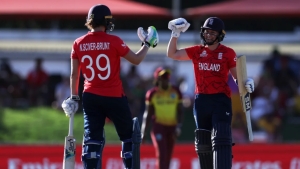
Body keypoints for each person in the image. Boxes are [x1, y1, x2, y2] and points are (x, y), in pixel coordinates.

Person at [61, 4, 159, 169]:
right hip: (114, 96)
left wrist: (73, 97)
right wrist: (147, 44)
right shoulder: (114, 41)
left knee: (92, 138)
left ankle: (90, 164)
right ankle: (129, 164)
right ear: (106, 21)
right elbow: (136, 59)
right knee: (128, 137)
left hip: (90, 96)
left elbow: (74, 75)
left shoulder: (78, 43)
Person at [166, 17, 255, 169]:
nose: (208, 35)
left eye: (212, 33)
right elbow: (172, 54)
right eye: (206, 32)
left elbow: (236, 77)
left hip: (221, 100)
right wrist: (175, 34)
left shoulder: (227, 53)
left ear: (220, 35)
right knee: (203, 142)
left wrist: (246, 82)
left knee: (221, 137)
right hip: (201, 100)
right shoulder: (197, 51)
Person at [141, 67, 183, 169]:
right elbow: (147, 113)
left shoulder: (175, 91)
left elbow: (180, 111)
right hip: (159, 127)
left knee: (168, 155)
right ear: (157, 79)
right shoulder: (152, 94)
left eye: (167, 76)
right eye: (163, 77)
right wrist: (143, 132)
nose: (166, 79)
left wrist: (178, 126)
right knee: (162, 153)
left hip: (172, 128)